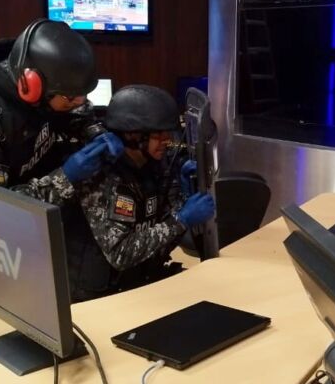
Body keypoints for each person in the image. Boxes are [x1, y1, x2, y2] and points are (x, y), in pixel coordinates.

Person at [0, 18, 122, 316]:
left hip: (26, 200)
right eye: (70, 98)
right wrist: (67, 177)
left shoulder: (55, 86)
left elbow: (78, 114)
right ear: (31, 85)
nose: (79, 102)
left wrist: (98, 135)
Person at [18, 85, 216, 302]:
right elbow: (122, 253)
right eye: (158, 134)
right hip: (94, 303)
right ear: (133, 135)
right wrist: (182, 219)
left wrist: (182, 201)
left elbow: (158, 240)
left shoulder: (153, 167)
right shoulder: (102, 176)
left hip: (137, 289)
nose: (166, 139)